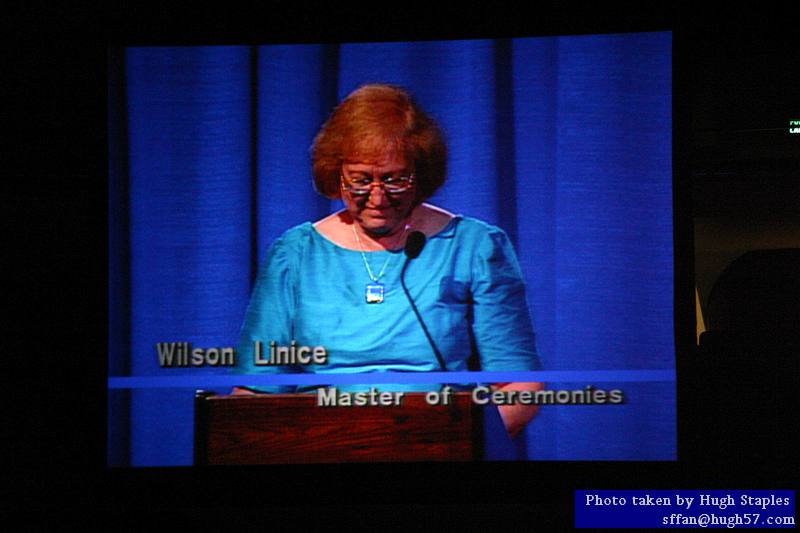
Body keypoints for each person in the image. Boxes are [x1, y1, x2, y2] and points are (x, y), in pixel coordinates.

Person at [235, 84, 543, 437]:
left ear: (421, 172)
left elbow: (520, 388)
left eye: (395, 180)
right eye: (361, 181)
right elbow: (254, 392)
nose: (378, 197)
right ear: (337, 175)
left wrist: (455, 441)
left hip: (437, 445)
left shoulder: (474, 248)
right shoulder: (295, 255)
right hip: (317, 445)